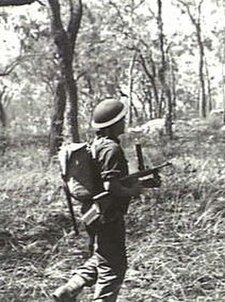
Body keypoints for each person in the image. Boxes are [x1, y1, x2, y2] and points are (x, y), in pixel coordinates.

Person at [52, 98, 144, 302]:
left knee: (104, 256)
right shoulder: (112, 149)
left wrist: (138, 182)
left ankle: (69, 289)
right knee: (114, 267)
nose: (124, 122)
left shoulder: (97, 145)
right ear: (114, 124)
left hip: (93, 212)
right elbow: (111, 186)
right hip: (108, 214)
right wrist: (134, 191)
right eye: (122, 119)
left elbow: (107, 181)